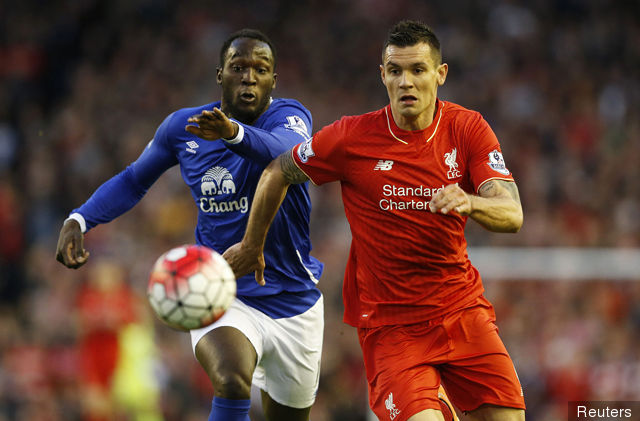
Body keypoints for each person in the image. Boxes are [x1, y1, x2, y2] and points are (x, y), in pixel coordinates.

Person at [224, 20, 526, 421]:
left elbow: (512, 213)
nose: (406, 82)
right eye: (396, 71)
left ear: (440, 74)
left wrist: (471, 201)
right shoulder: (352, 137)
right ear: (382, 75)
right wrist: (252, 244)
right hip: (392, 329)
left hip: (462, 311)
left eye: (418, 70)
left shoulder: (467, 128)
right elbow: (278, 171)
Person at [55, 29, 325, 421]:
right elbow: (134, 179)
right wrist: (80, 218)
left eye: (260, 69)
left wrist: (232, 134)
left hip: (294, 301)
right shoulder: (183, 129)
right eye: (238, 67)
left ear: (273, 81)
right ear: (220, 75)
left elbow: (288, 156)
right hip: (220, 287)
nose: (249, 76)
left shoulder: (290, 116)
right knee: (231, 380)